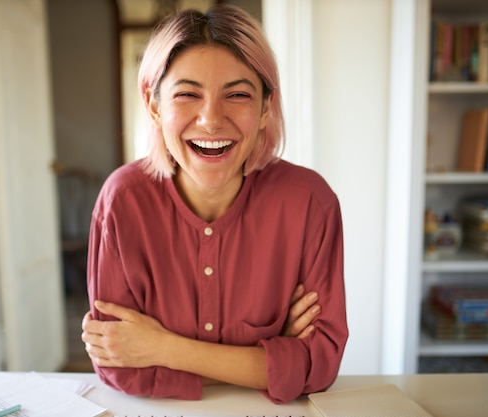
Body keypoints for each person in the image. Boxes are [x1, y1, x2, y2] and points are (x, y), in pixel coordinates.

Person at [81, 4, 348, 404]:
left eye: (237, 94)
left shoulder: (310, 202)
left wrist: (160, 348)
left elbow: (320, 365)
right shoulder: (122, 201)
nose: (210, 119)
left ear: (265, 108)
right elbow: (118, 366)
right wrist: (270, 359)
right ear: (154, 106)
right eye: (188, 94)